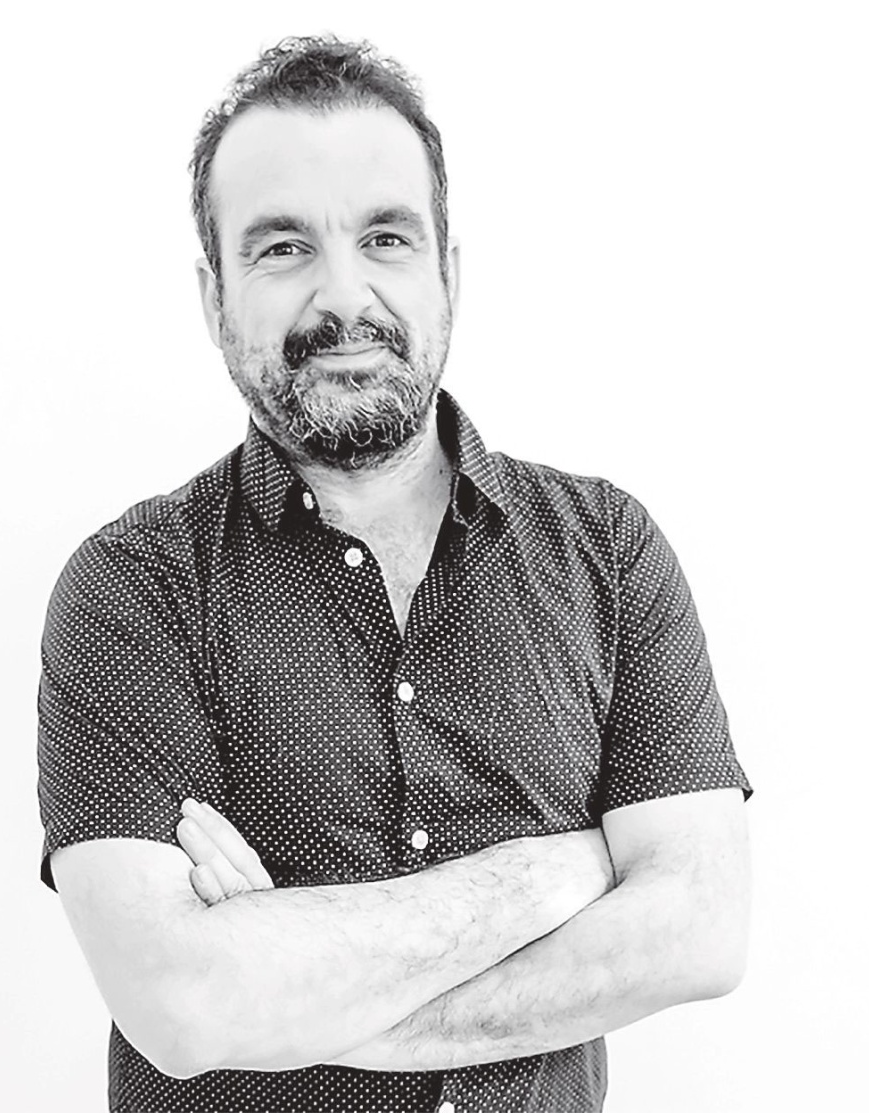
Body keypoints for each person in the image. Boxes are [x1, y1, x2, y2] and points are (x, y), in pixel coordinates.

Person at [38, 35, 752, 1113]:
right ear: (215, 298)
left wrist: (287, 988)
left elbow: (698, 930)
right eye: (283, 247)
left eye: (385, 237)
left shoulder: (609, 550)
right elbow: (183, 1005)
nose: (344, 295)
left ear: (447, 272)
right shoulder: (131, 590)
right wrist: (549, 876)